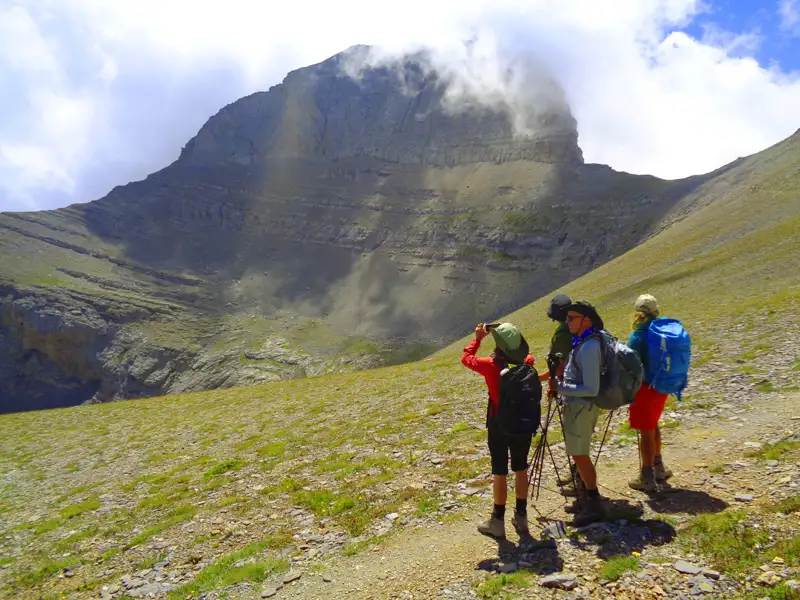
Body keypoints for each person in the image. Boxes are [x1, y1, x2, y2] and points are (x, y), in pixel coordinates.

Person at [461, 321, 536, 539]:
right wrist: (507, 332)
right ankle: (521, 517)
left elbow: (466, 359)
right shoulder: (527, 362)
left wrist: (477, 338)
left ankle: (497, 521)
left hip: (499, 422)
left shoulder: (490, 365)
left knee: (500, 471)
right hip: (523, 421)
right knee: (521, 468)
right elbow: (526, 354)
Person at [555, 301, 606, 525]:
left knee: (580, 455)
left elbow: (591, 388)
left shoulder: (589, 347)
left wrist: (561, 387)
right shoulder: (585, 342)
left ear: (586, 320)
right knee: (578, 453)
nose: (567, 323)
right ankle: (586, 498)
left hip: (581, 408)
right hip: (579, 407)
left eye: (571, 318)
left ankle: (593, 502)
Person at [627, 294, 674, 492]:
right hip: (662, 387)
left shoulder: (638, 335)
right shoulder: (663, 332)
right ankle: (658, 467)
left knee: (645, 431)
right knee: (653, 425)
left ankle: (647, 476)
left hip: (645, 388)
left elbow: (630, 363)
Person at [539, 294, 577, 490]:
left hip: (569, 387)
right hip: (581, 384)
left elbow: (560, 367)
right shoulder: (577, 328)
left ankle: (580, 480)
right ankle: (577, 471)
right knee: (576, 433)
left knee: (573, 433)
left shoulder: (563, 334)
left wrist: (541, 379)